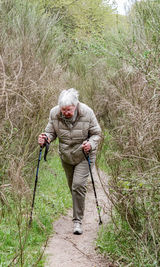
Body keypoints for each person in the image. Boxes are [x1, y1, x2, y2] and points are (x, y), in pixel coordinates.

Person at [38, 88, 102, 235]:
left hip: (84, 155)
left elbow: (97, 134)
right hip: (66, 156)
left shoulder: (87, 112)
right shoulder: (54, 113)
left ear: (76, 105)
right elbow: (50, 132)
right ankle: (77, 210)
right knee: (73, 187)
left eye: (69, 110)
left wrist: (90, 144)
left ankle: (77, 222)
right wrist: (45, 138)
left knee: (78, 185)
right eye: (63, 109)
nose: (65, 112)